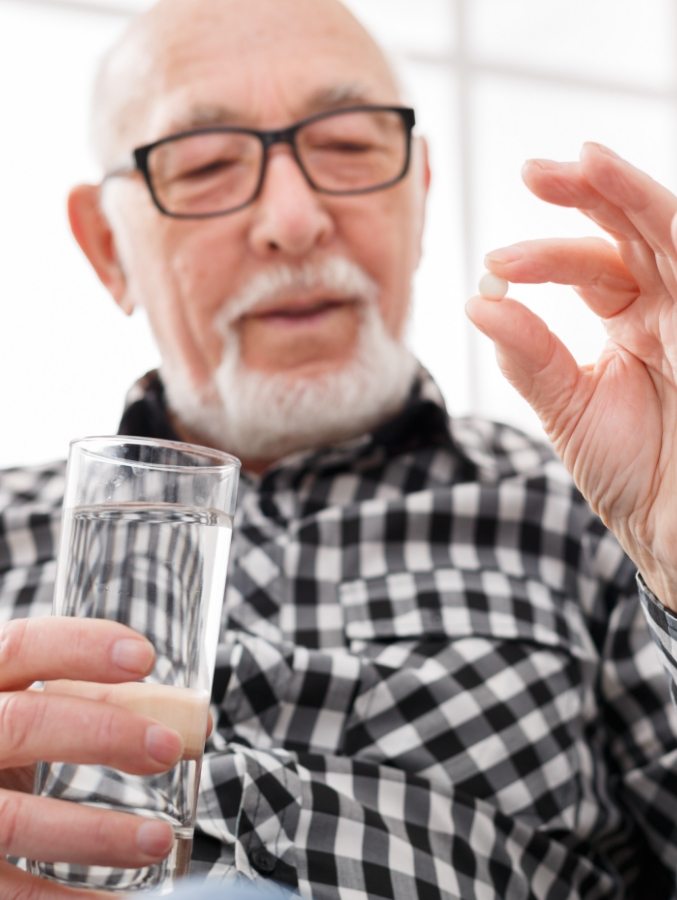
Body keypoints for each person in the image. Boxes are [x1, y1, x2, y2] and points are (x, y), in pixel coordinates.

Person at [1, 0, 677, 897]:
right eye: (204, 166)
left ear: (420, 195)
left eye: (352, 148)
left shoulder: (594, 513)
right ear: (107, 249)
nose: (294, 219)